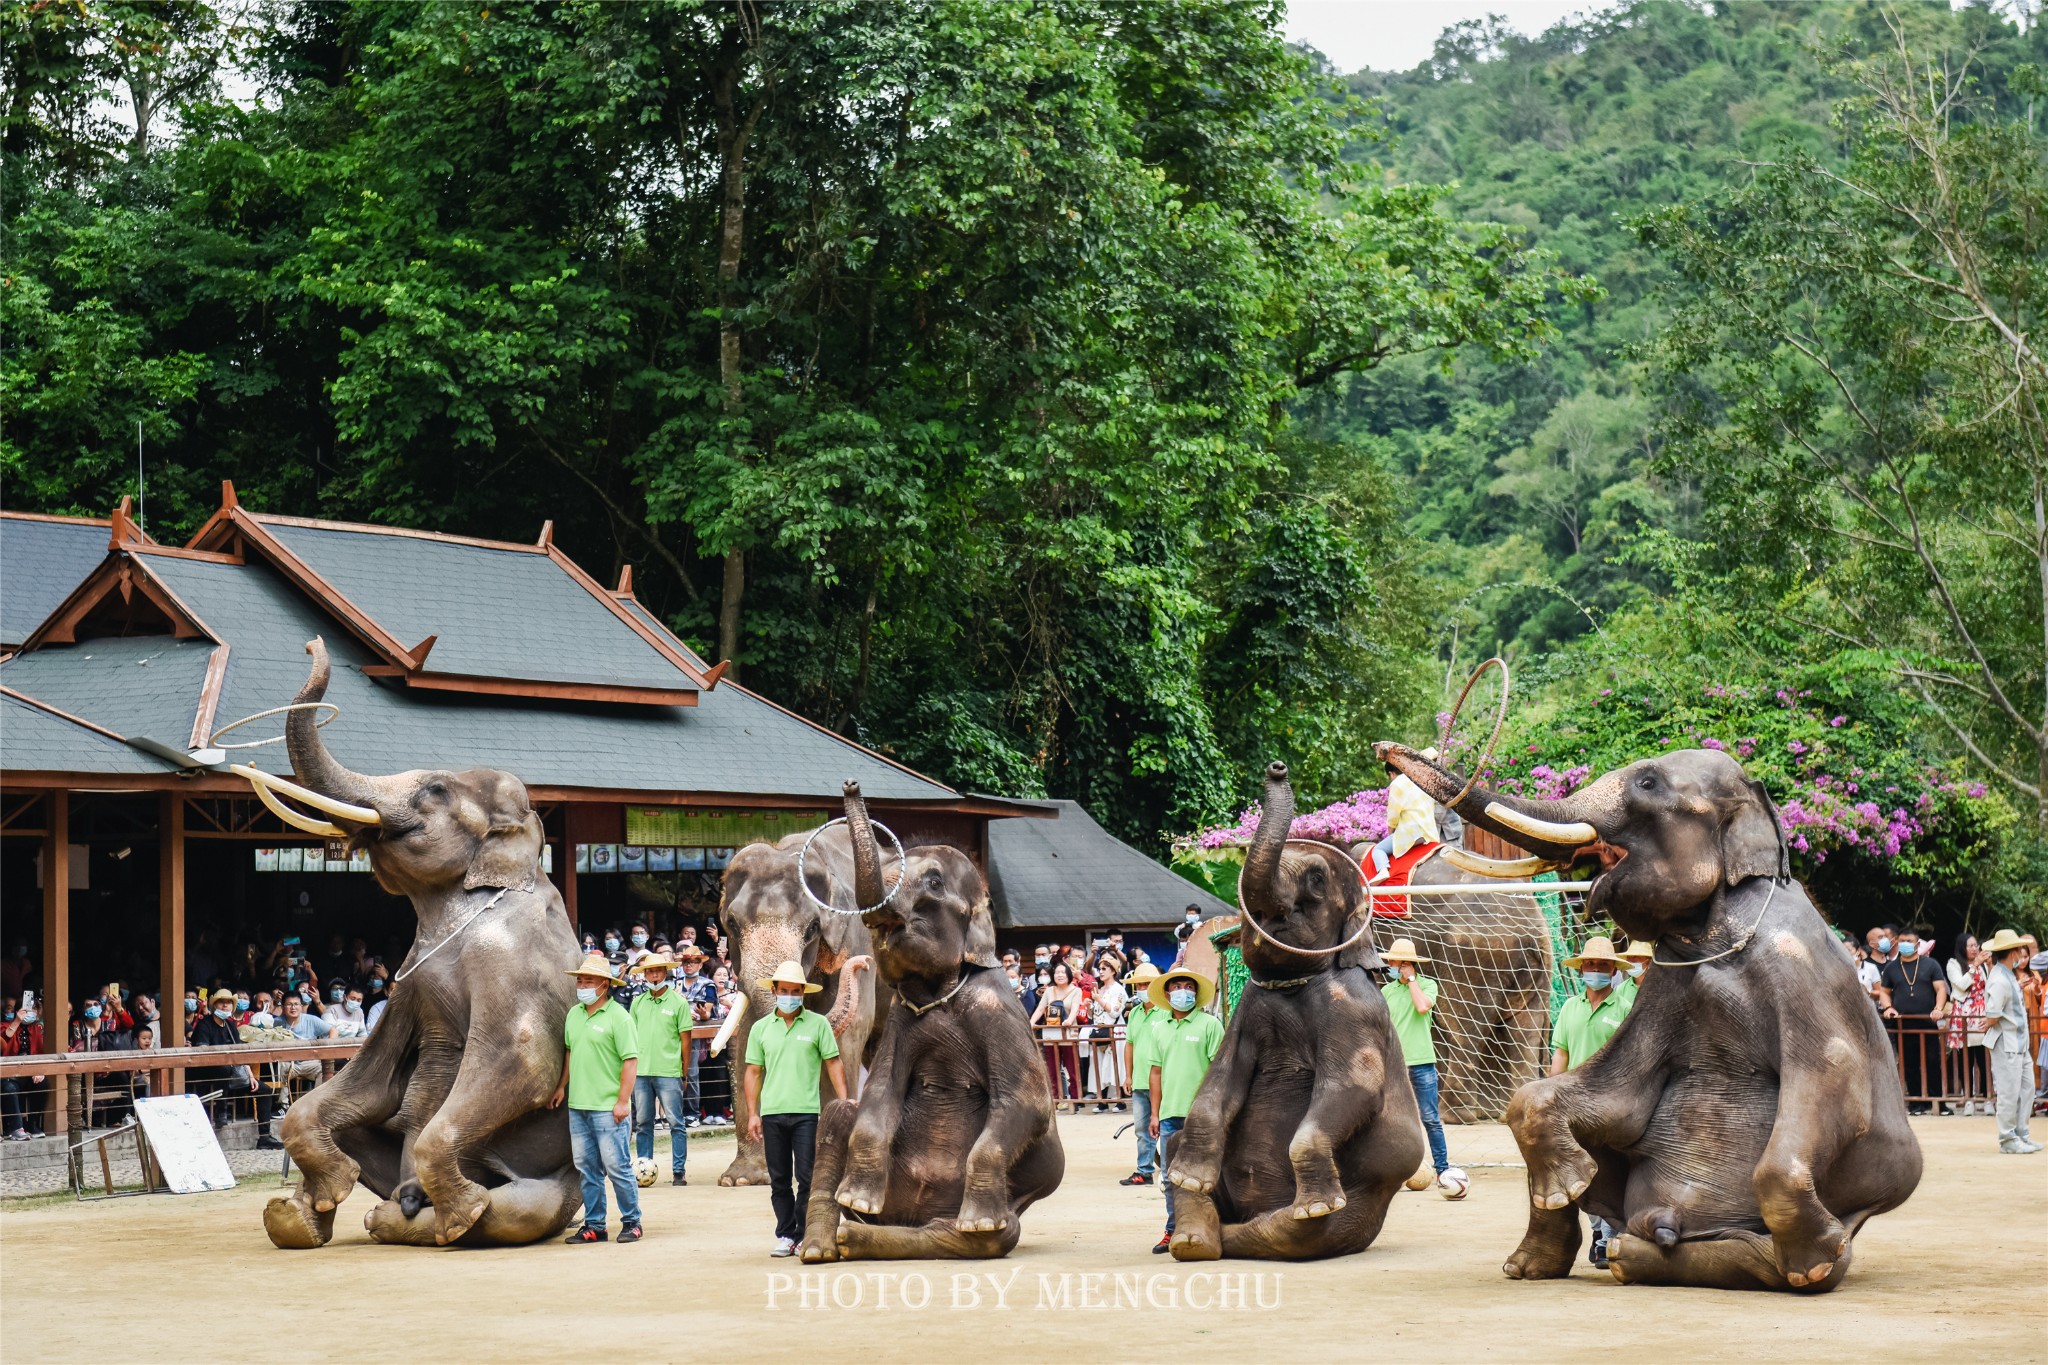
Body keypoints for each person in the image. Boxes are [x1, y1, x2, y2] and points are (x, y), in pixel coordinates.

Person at [743, 960, 849, 1257]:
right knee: (779, 1179)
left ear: (803, 993)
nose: (790, 995)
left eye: (795, 991)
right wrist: (753, 1113)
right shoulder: (760, 1029)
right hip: (772, 1112)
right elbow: (752, 1072)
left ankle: (804, 1233)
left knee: (806, 1176)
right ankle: (786, 1234)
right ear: (774, 991)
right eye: (784, 990)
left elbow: (833, 1063)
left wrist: (843, 1101)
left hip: (806, 1113)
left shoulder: (818, 1024)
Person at [1550, 936, 1633, 1269]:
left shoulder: (1626, 1009)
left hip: (1610, 1100)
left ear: (1613, 970)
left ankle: (1611, 1236)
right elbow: (1561, 1053)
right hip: (1573, 1101)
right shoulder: (1570, 1007)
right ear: (1582, 968)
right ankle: (1599, 1233)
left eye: (1601, 965)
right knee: (1582, 1170)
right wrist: (1551, 1090)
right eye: (1590, 965)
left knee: (1613, 1170)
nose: (1595, 970)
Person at [551, 951, 642, 1244]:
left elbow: (630, 1060)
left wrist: (622, 1100)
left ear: (605, 984)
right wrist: (562, 1086)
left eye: (588, 981)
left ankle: (632, 1221)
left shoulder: (619, 1017)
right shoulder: (573, 1015)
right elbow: (569, 1052)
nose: (582, 986)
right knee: (587, 1168)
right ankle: (595, 1225)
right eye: (580, 981)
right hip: (578, 1106)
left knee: (617, 1167)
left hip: (607, 1107)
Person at [1146, 967, 1222, 1254]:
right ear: (1167, 994)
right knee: (1168, 1176)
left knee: (1209, 1174)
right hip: (1169, 1114)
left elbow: (1218, 1070)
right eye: (1176, 986)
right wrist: (1155, 1113)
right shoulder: (1160, 1028)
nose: (1182, 991)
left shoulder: (1209, 1025)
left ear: (1196, 992)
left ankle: (1211, 1226)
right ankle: (1172, 1228)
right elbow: (1155, 1073)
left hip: (1203, 1115)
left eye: (1187, 986)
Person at [1381, 938, 1460, 1189]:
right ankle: (1393, 1172)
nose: (1390, 965)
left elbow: (1423, 1007)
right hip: (1394, 1065)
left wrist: (1412, 980)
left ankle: (1442, 1170)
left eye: (1394, 961)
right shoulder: (1386, 991)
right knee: (1392, 1120)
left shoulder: (1427, 985)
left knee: (1430, 1118)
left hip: (1423, 1062)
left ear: (1407, 964)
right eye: (1390, 961)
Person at [628, 953, 693, 1186]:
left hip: (669, 1071)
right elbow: (630, 1038)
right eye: (649, 971)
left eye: (658, 970)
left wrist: (684, 1072)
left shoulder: (679, 1002)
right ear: (644, 975)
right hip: (642, 1072)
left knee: (676, 1122)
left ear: (666, 972)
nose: (654, 975)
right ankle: (644, 1168)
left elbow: (686, 1040)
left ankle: (678, 1172)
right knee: (644, 1122)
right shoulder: (637, 1003)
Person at [189, 989, 282, 1148]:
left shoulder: (230, 1025)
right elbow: (202, 1051)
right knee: (223, 1069)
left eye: (228, 1003)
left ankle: (265, 1137)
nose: (225, 1006)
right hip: (206, 1070)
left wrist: (250, 1075)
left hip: (233, 1072)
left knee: (264, 1089)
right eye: (221, 1002)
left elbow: (240, 1052)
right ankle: (221, 1111)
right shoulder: (205, 1024)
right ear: (214, 1005)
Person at [1876, 926, 1949, 1114]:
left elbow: (1941, 989)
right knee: (1909, 1064)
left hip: (1928, 1022)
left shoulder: (1930, 965)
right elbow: (1884, 992)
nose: (1904, 945)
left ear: (1917, 944)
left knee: (1933, 1062)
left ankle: (1938, 1102)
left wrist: (1938, 1008)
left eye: (1908, 941)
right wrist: (1888, 1007)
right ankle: (1917, 1103)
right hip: (1904, 1024)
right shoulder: (1892, 968)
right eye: (1901, 941)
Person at [1979, 929, 2040, 1154]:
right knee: (2008, 1092)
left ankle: (2021, 1134)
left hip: (2019, 1043)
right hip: (2007, 1044)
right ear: (2013, 952)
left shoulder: (2007, 974)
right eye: (2018, 950)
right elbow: (1993, 1013)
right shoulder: (1999, 978)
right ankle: (2008, 1139)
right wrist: (1990, 1021)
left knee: (2026, 1090)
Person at [1119, 964, 1165, 1185]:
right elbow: (1129, 1045)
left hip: (1164, 1082)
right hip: (1140, 1081)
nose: (1142, 988)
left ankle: (1167, 1170)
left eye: (1147, 984)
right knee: (1141, 1128)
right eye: (1139, 984)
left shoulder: (1167, 1011)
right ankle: (1144, 1170)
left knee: (1166, 1127)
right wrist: (1128, 1075)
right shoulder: (1135, 1013)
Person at [1369, 747, 1443, 881]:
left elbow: (1393, 816)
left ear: (1391, 774)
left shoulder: (1398, 783)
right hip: (1429, 833)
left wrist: (1390, 832)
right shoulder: (1424, 781)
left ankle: (1383, 871)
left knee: (1378, 850)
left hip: (1410, 834)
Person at [672, 947, 718, 1125]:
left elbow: (707, 1012)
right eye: (686, 962)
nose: (689, 965)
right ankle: (676, 1112)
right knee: (674, 1072)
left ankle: (692, 1112)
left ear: (700, 964)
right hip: (674, 1030)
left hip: (694, 1032)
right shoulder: (675, 983)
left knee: (691, 1072)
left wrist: (700, 1014)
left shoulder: (707, 985)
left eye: (693, 962)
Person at [1030, 960, 1084, 1109]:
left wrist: (1069, 1020)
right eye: (1057, 972)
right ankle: (1056, 1100)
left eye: (1062, 972)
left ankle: (1075, 1100)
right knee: (1052, 1069)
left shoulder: (1076, 990)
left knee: (1072, 1068)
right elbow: (1040, 1009)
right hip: (1051, 1033)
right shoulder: (1049, 991)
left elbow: (1074, 1008)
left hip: (1068, 1033)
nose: (1060, 975)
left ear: (1068, 974)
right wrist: (1031, 1022)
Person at [1946, 933, 1990, 1116]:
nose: (1975, 949)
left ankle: (1988, 1098)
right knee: (1966, 1058)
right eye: (1970, 946)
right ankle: (1969, 1098)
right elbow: (1961, 985)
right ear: (1962, 947)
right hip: (1964, 1014)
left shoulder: (1985, 965)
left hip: (1981, 1013)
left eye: (1976, 945)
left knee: (1984, 1057)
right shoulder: (1953, 964)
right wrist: (1975, 966)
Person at [1, 1000, 47, 1139]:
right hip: (8, 1075)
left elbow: (40, 1053)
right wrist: (17, 1021)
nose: (30, 1012)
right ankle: (15, 1128)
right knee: (9, 1088)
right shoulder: (5, 1025)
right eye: (28, 1008)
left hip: (28, 1073)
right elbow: (3, 1042)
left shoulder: (36, 1029)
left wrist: (39, 1071)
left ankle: (32, 1125)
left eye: (34, 1009)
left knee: (43, 1084)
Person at [1088, 967, 1127, 1113]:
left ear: (1113, 971)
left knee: (1116, 1066)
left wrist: (1099, 999)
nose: (1101, 972)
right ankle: (1102, 1101)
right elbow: (1095, 1013)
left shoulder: (1118, 989)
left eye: (1105, 969)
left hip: (1115, 1030)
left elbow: (1115, 1011)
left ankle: (1120, 1100)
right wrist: (1089, 1006)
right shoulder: (1100, 988)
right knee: (1098, 1065)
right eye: (1100, 969)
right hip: (1099, 1030)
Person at [1613, 941, 1653, 1009]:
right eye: (1629, 957)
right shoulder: (1621, 989)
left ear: (1648, 962)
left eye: (1635, 957)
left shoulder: (1659, 986)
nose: (1631, 960)